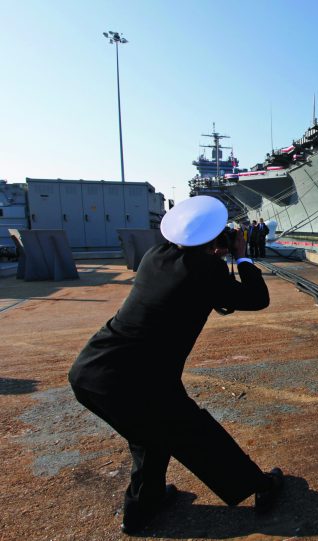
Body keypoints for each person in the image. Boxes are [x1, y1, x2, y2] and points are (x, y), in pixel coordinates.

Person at [68, 196, 284, 535]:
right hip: (137, 380)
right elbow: (257, 299)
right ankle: (261, 486)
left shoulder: (155, 256)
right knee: (196, 433)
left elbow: (189, 285)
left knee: (149, 436)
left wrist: (215, 253)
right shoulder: (205, 270)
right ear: (212, 240)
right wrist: (241, 254)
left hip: (92, 369)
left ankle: (141, 509)